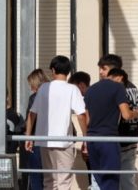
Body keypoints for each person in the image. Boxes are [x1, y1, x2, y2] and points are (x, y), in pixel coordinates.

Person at [24, 55, 88, 190]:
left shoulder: (43, 88)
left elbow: (32, 113)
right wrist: (85, 138)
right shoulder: (72, 89)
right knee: (64, 181)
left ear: (53, 70)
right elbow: (81, 115)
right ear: (69, 71)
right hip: (64, 141)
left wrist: (28, 136)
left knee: (49, 181)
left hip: (44, 140)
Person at [85, 65, 138, 190]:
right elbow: (126, 115)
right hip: (108, 140)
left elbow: (87, 120)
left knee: (98, 181)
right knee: (111, 181)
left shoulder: (91, 89)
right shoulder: (118, 87)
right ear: (120, 78)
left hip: (92, 140)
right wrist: (136, 113)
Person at [98, 55, 138, 190]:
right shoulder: (132, 86)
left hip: (119, 141)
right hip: (132, 139)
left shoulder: (117, 88)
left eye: (104, 68)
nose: (100, 72)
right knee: (128, 181)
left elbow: (123, 114)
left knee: (111, 181)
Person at [68, 71, 101, 190]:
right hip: (101, 141)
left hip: (93, 140)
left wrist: (85, 141)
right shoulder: (98, 95)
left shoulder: (87, 98)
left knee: (93, 176)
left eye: (74, 88)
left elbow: (86, 119)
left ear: (81, 85)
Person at [21, 68, 49, 190]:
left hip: (37, 140)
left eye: (32, 85)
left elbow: (30, 117)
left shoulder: (34, 98)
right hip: (55, 140)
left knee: (36, 175)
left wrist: (27, 135)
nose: (31, 88)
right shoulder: (55, 94)